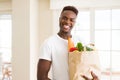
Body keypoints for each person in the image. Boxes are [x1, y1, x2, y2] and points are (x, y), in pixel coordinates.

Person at [37, 6, 99, 80]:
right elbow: (41, 77)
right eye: (65, 18)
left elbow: (86, 68)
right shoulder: (49, 43)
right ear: (60, 19)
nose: (67, 22)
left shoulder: (80, 40)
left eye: (71, 20)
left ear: (74, 23)